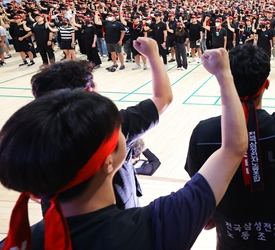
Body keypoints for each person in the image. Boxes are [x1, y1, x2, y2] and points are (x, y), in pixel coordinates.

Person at [0, 45, 248, 250]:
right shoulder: (159, 227)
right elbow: (233, 148)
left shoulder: (15, 242)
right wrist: (224, 74)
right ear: (109, 161)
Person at [185, 31, 275, 250]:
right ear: (266, 84)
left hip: (230, 235)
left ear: (227, 83)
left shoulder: (203, 134)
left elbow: (198, 183)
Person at [30, 37, 173, 210]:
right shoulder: (113, 125)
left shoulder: (33, 136)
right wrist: (153, 55)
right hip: (118, 218)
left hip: (61, 222)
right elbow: (163, 98)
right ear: (89, 91)